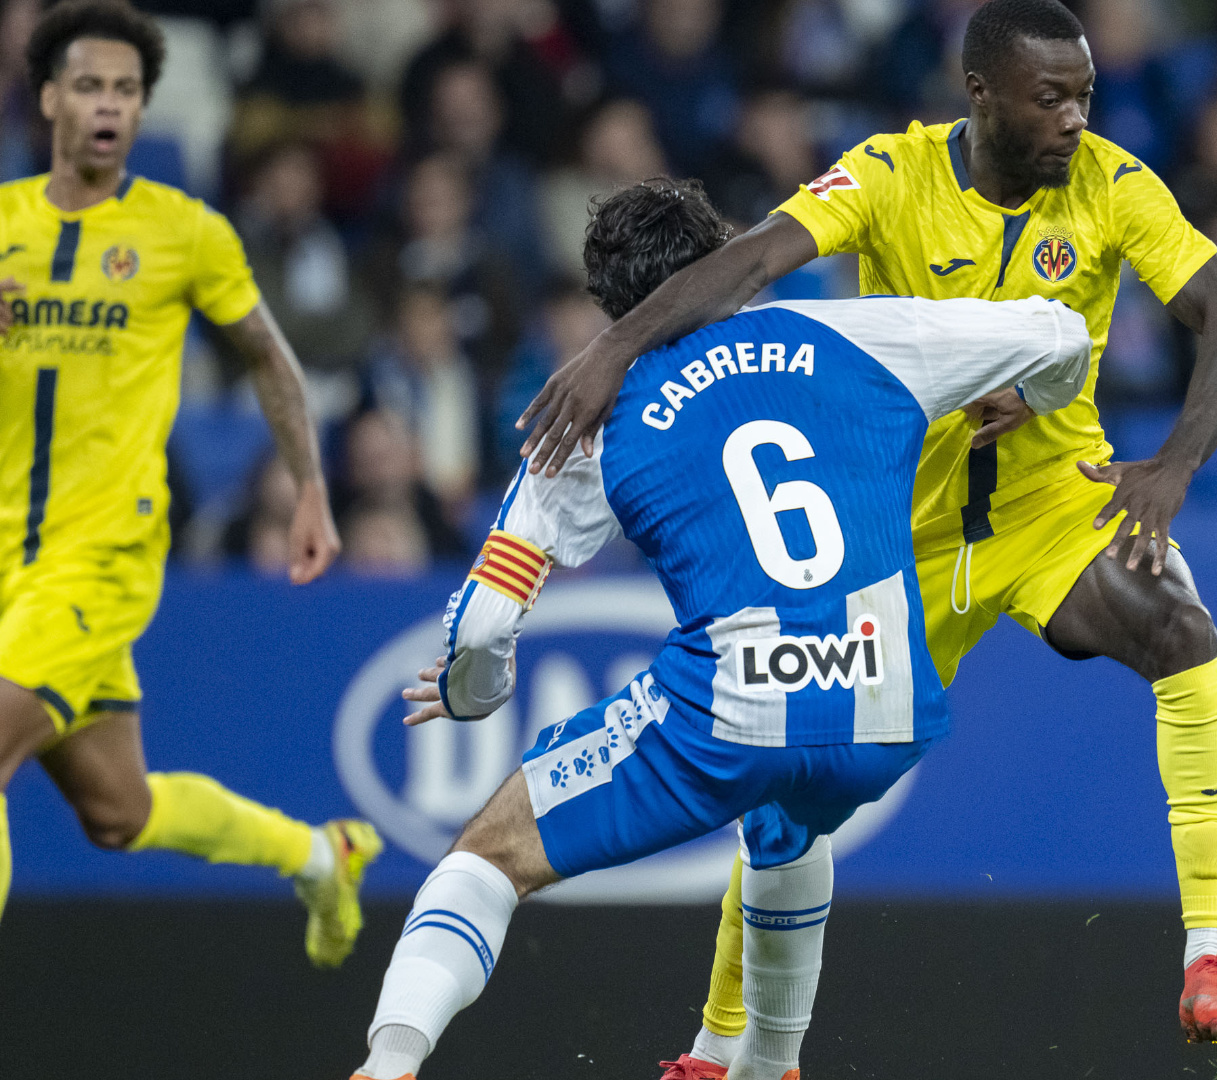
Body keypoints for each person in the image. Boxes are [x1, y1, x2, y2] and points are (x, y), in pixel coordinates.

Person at [516, 0, 1217, 1064]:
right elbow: (750, 265)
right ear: (980, 95)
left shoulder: (1114, 184)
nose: (1073, 120)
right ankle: (714, 1044)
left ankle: (1209, 954)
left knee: (1180, 627)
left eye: (1085, 95)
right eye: (1049, 98)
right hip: (891, 537)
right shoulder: (888, 174)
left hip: (1055, 505)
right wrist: (614, 351)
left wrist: (1177, 463)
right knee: (789, 797)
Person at [343, 177, 1092, 1080]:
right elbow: (1063, 330)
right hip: (885, 700)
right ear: (735, 261)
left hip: (731, 710)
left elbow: (482, 625)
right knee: (788, 824)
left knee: (489, 855)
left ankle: (387, 1065)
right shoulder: (862, 333)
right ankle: (769, 1063)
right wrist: (1034, 400)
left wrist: (476, 693)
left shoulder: (593, 410)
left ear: (605, 305)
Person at [0, 0, 379, 957]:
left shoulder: (184, 232)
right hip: (8, 559)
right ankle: (318, 855)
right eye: (89, 85)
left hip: (102, 556)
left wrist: (310, 487)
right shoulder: (2, 226)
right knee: (117, 811)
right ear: (48, 97)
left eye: (127, 90)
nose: (109, 106)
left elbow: (267, 356)